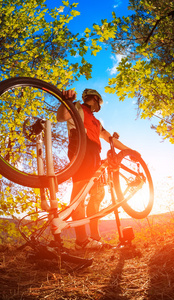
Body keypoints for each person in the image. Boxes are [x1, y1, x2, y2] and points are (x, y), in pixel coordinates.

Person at [57, 88, 131, 250]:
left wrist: (129, 151)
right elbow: (61, 117)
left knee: (97, 194)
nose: (100, 106)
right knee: (80, 195)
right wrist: (66, 101)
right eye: (100, 102)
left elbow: (108, 138)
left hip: (95, 154)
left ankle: (95, 239)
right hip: (81, 148)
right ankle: (82, 241)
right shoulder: (78, 108)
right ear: (95, 99)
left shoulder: (97, 122)